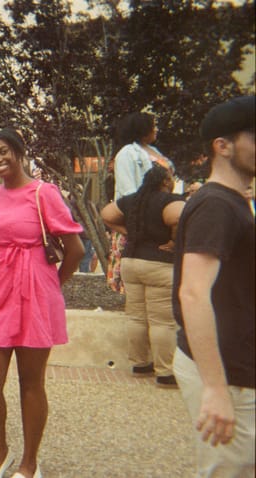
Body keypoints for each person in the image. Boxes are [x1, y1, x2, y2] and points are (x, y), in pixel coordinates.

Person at [0, 128, 84, 478]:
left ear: (20, 153)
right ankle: (0, 453)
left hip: (35, 294)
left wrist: (51, 286)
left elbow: (75, 251)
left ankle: (30, 462)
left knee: (30, 381)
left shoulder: (44, 193)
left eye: (4, 151)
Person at [172, 96, 255, 476]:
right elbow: (192, 293)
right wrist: (216, 387)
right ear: (222, 146)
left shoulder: (233, 202)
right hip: (229, 374)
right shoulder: (217, 205)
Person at [100, 165, 185, 387]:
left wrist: (129, 231)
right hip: (159, 263)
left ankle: (140, 363)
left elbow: (106, 214)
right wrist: (175, 241)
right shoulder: (168, 200)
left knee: (136, 316)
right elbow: (179, 216)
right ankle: (165, 372)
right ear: (165, 181)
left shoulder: (132, 200)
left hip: (131, 262)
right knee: (162, 321)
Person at [108, 112, 174, 294]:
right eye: (153, 125)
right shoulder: (127, 154)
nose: (157, 129)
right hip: (139, 220)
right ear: (143, 128)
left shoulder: (156, 153)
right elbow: (128, 191)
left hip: (160, 218)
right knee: (135, 288)